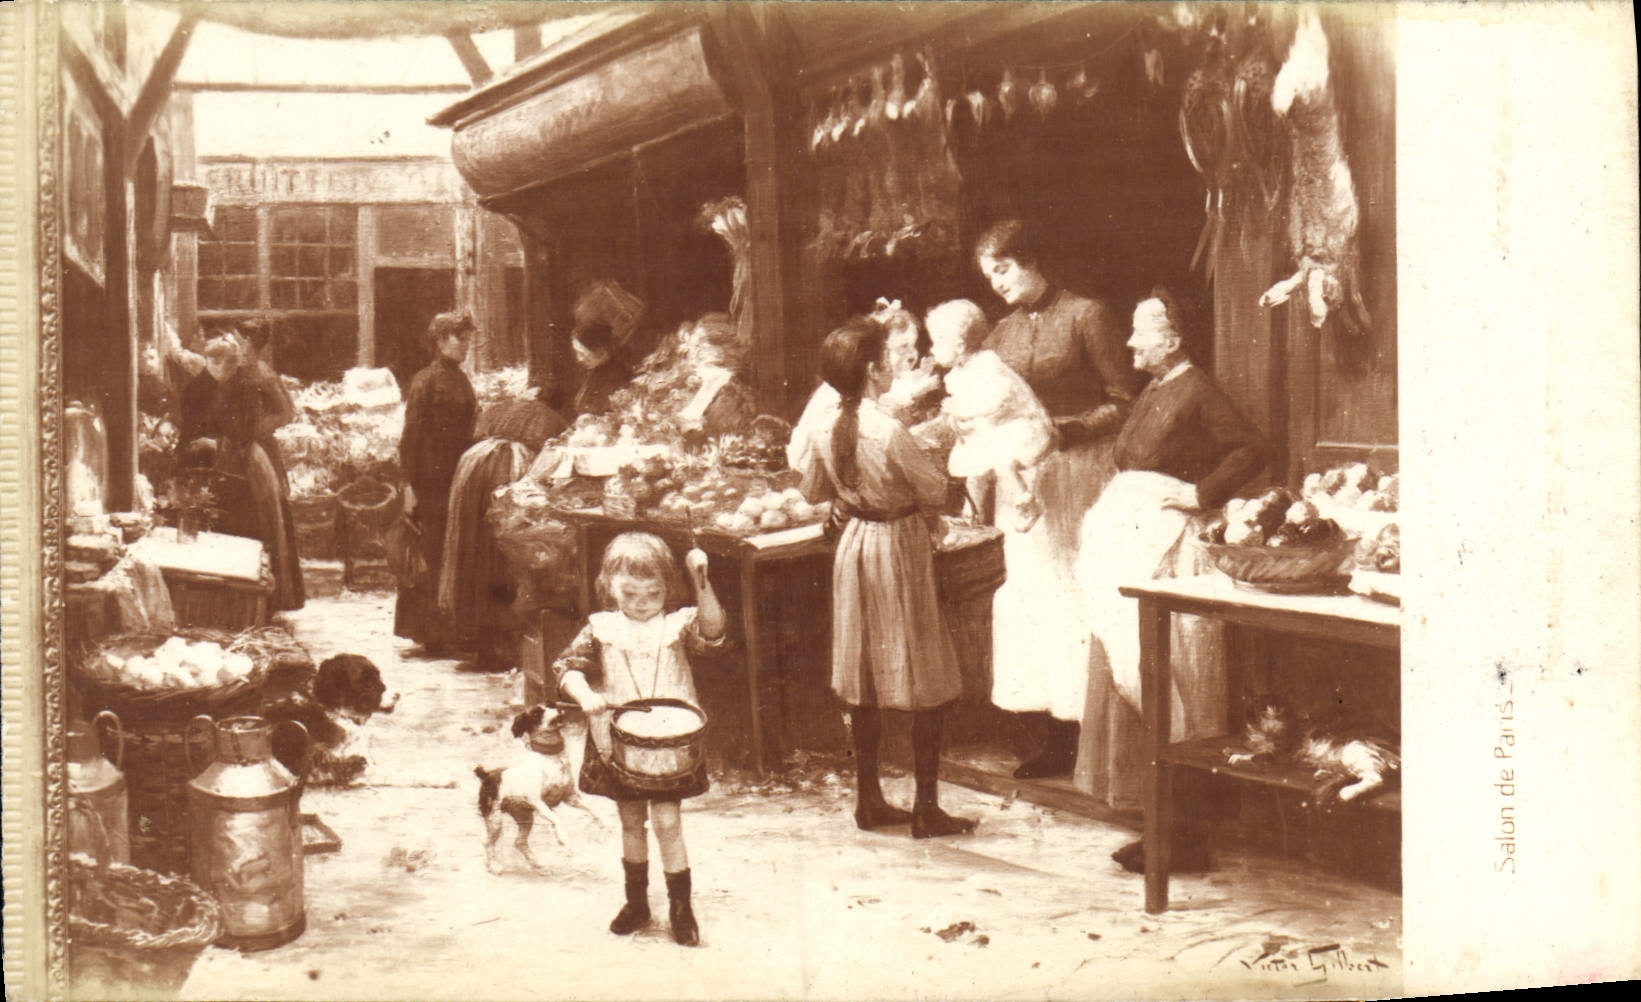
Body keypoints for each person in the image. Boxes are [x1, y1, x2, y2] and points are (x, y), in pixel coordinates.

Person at [1072, 290, 1268, 812]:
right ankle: (1144, 809)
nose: (1131, 342)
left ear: (1175, 340)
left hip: (1167, 548)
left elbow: (1253, 448)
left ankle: (1182, 820)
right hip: (1131, 542)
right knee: (1127, 661)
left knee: (1171, 668)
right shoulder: (1157, 387)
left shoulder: (1197, 390)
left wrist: (1200, 494)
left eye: (1143, 331)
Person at [787, 315, 976, 839]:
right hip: (898, 547)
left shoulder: (827, 424)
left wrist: (852, 495)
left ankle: (868, 800)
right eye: (888, 358)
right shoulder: (888, 429)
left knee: (863, 675)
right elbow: (935, 491)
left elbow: (811, 490)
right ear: (873, 369)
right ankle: (925, 809)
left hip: (854, 546)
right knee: (924, 673)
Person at [973, 219, 1144, 779]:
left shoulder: (1085, 314)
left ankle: (1088, 735)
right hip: (1021, 480)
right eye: (988, 274)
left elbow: (1124, 400)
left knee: (1075, 594)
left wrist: (1067, 432)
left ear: (1031, 259)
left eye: (1003, 268)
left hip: (1077, 471)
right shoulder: (1001, 333)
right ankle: (1051, 732)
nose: (996, 282)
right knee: (1033, 597)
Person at [554, 532, 725, 947]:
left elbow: (714, 630)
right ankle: (637, 903)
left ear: (669, 588)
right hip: (619, 742)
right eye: (630, 591)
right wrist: (587, 695)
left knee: (667, 822)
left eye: (654, 591)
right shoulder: (601, 627)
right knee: (631, 821)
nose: (642, 601)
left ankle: (681, 908)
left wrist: (700, 579)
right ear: (608, 587)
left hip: (670, 743)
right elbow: (568, 668)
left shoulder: (678, 624)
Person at [438, 388, 566, 672]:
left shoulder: (505, 406)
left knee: (474, 549)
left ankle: (481, 638)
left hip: (474, 466)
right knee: (500, 554)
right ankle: (496, 641)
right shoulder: (551, 419)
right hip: (505, 468)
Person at [182, 334, 305, 610]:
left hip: (250, 461)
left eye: (216, 361)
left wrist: (214, 444)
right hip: (241, 459)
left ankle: (266, 600)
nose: (211, 367)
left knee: (258, 524)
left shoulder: (248, 384)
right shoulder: (229, 384)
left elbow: (247, 432)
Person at [919, 299, 1055, 533]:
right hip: (990, 430)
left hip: (1019, 426)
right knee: (974, 467)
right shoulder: (957, 374)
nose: (932, 349)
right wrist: (956, 419)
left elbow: (998, 400)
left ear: (960, 345)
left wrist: (963, 410)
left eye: (938, 341)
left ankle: (1025, 502)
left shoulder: (987, 364)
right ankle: (973, 514)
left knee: (1002, 461)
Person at [395, 312, 478, 654]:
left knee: (449, 551)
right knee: (430, 552)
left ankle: (448, 628)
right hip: (429, 478)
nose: (466, 346)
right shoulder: (424, 381)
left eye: (469, 340)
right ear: (441, 339)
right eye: (460, 339)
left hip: (454, 477)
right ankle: (429, 633)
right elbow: (410, 437)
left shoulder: (461, 379)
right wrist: (408, 486)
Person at [568, 321, 633, 419]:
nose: (579, 359)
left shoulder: (616, 377)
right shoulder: (595, 371)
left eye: (582, 353)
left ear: (601, 351)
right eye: (577, 353)